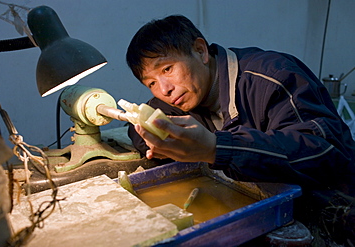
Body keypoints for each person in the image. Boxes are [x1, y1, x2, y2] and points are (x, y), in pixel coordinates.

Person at [125, 15, 355, 244]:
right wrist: (159, 142)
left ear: (200, 51)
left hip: (332, 208)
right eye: (151, 83)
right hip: (268, 209)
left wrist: (218, 148)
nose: (164, 89)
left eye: (167, 69)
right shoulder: (178, 94)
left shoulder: (275, 76)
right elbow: (137, 122)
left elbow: (323, 153)